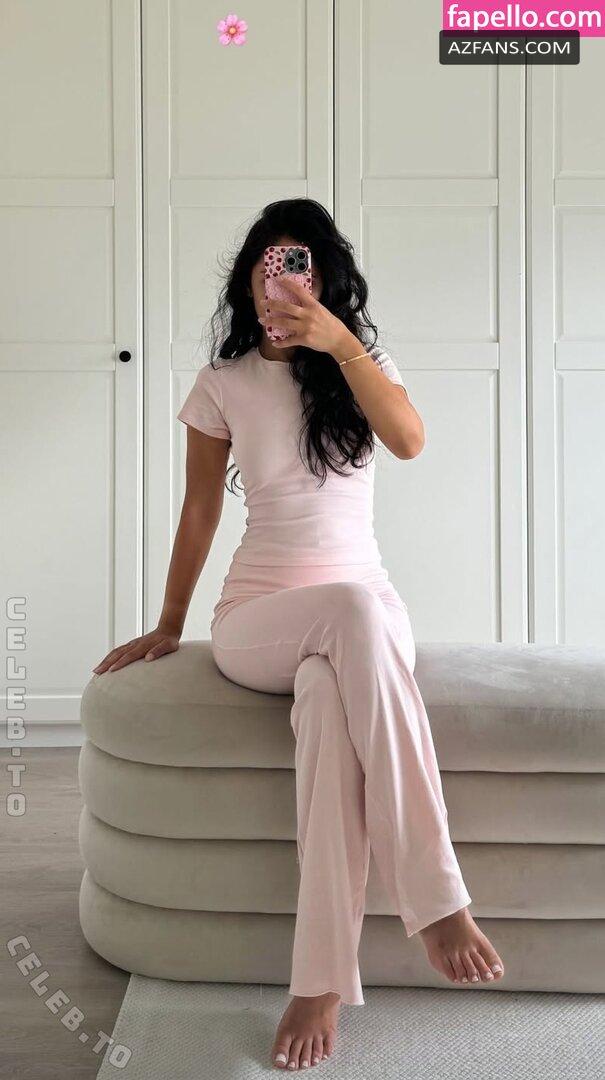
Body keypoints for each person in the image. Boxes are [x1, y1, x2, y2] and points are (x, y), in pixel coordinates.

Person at [93, 198, 504, 1071]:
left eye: (300, 265)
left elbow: (409, 442)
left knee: (326, 702)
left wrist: (338, 343)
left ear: (324, 279)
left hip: (362, 618)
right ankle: (435, 899)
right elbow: (199, 510)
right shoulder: (222, 382)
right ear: (249, 280)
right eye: (269, 264)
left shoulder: (362, 363)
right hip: (259, 618)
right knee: (346, 611)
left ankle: (316, 981)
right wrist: (169, 624)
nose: (282, 280)